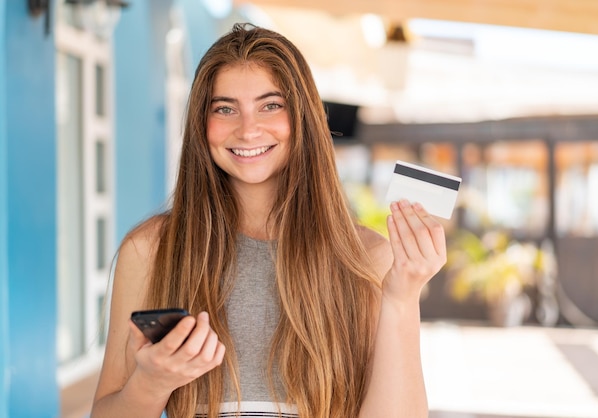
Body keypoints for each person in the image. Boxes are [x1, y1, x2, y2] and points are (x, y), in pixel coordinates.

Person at [91, 22, 446, 418]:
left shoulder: (367, 257)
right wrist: (151, 383)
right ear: (200, 124)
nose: (248, 129)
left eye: (270, 105)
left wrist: (401, 299)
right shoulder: (150, 250)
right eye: (225, 108)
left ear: (303, 118)